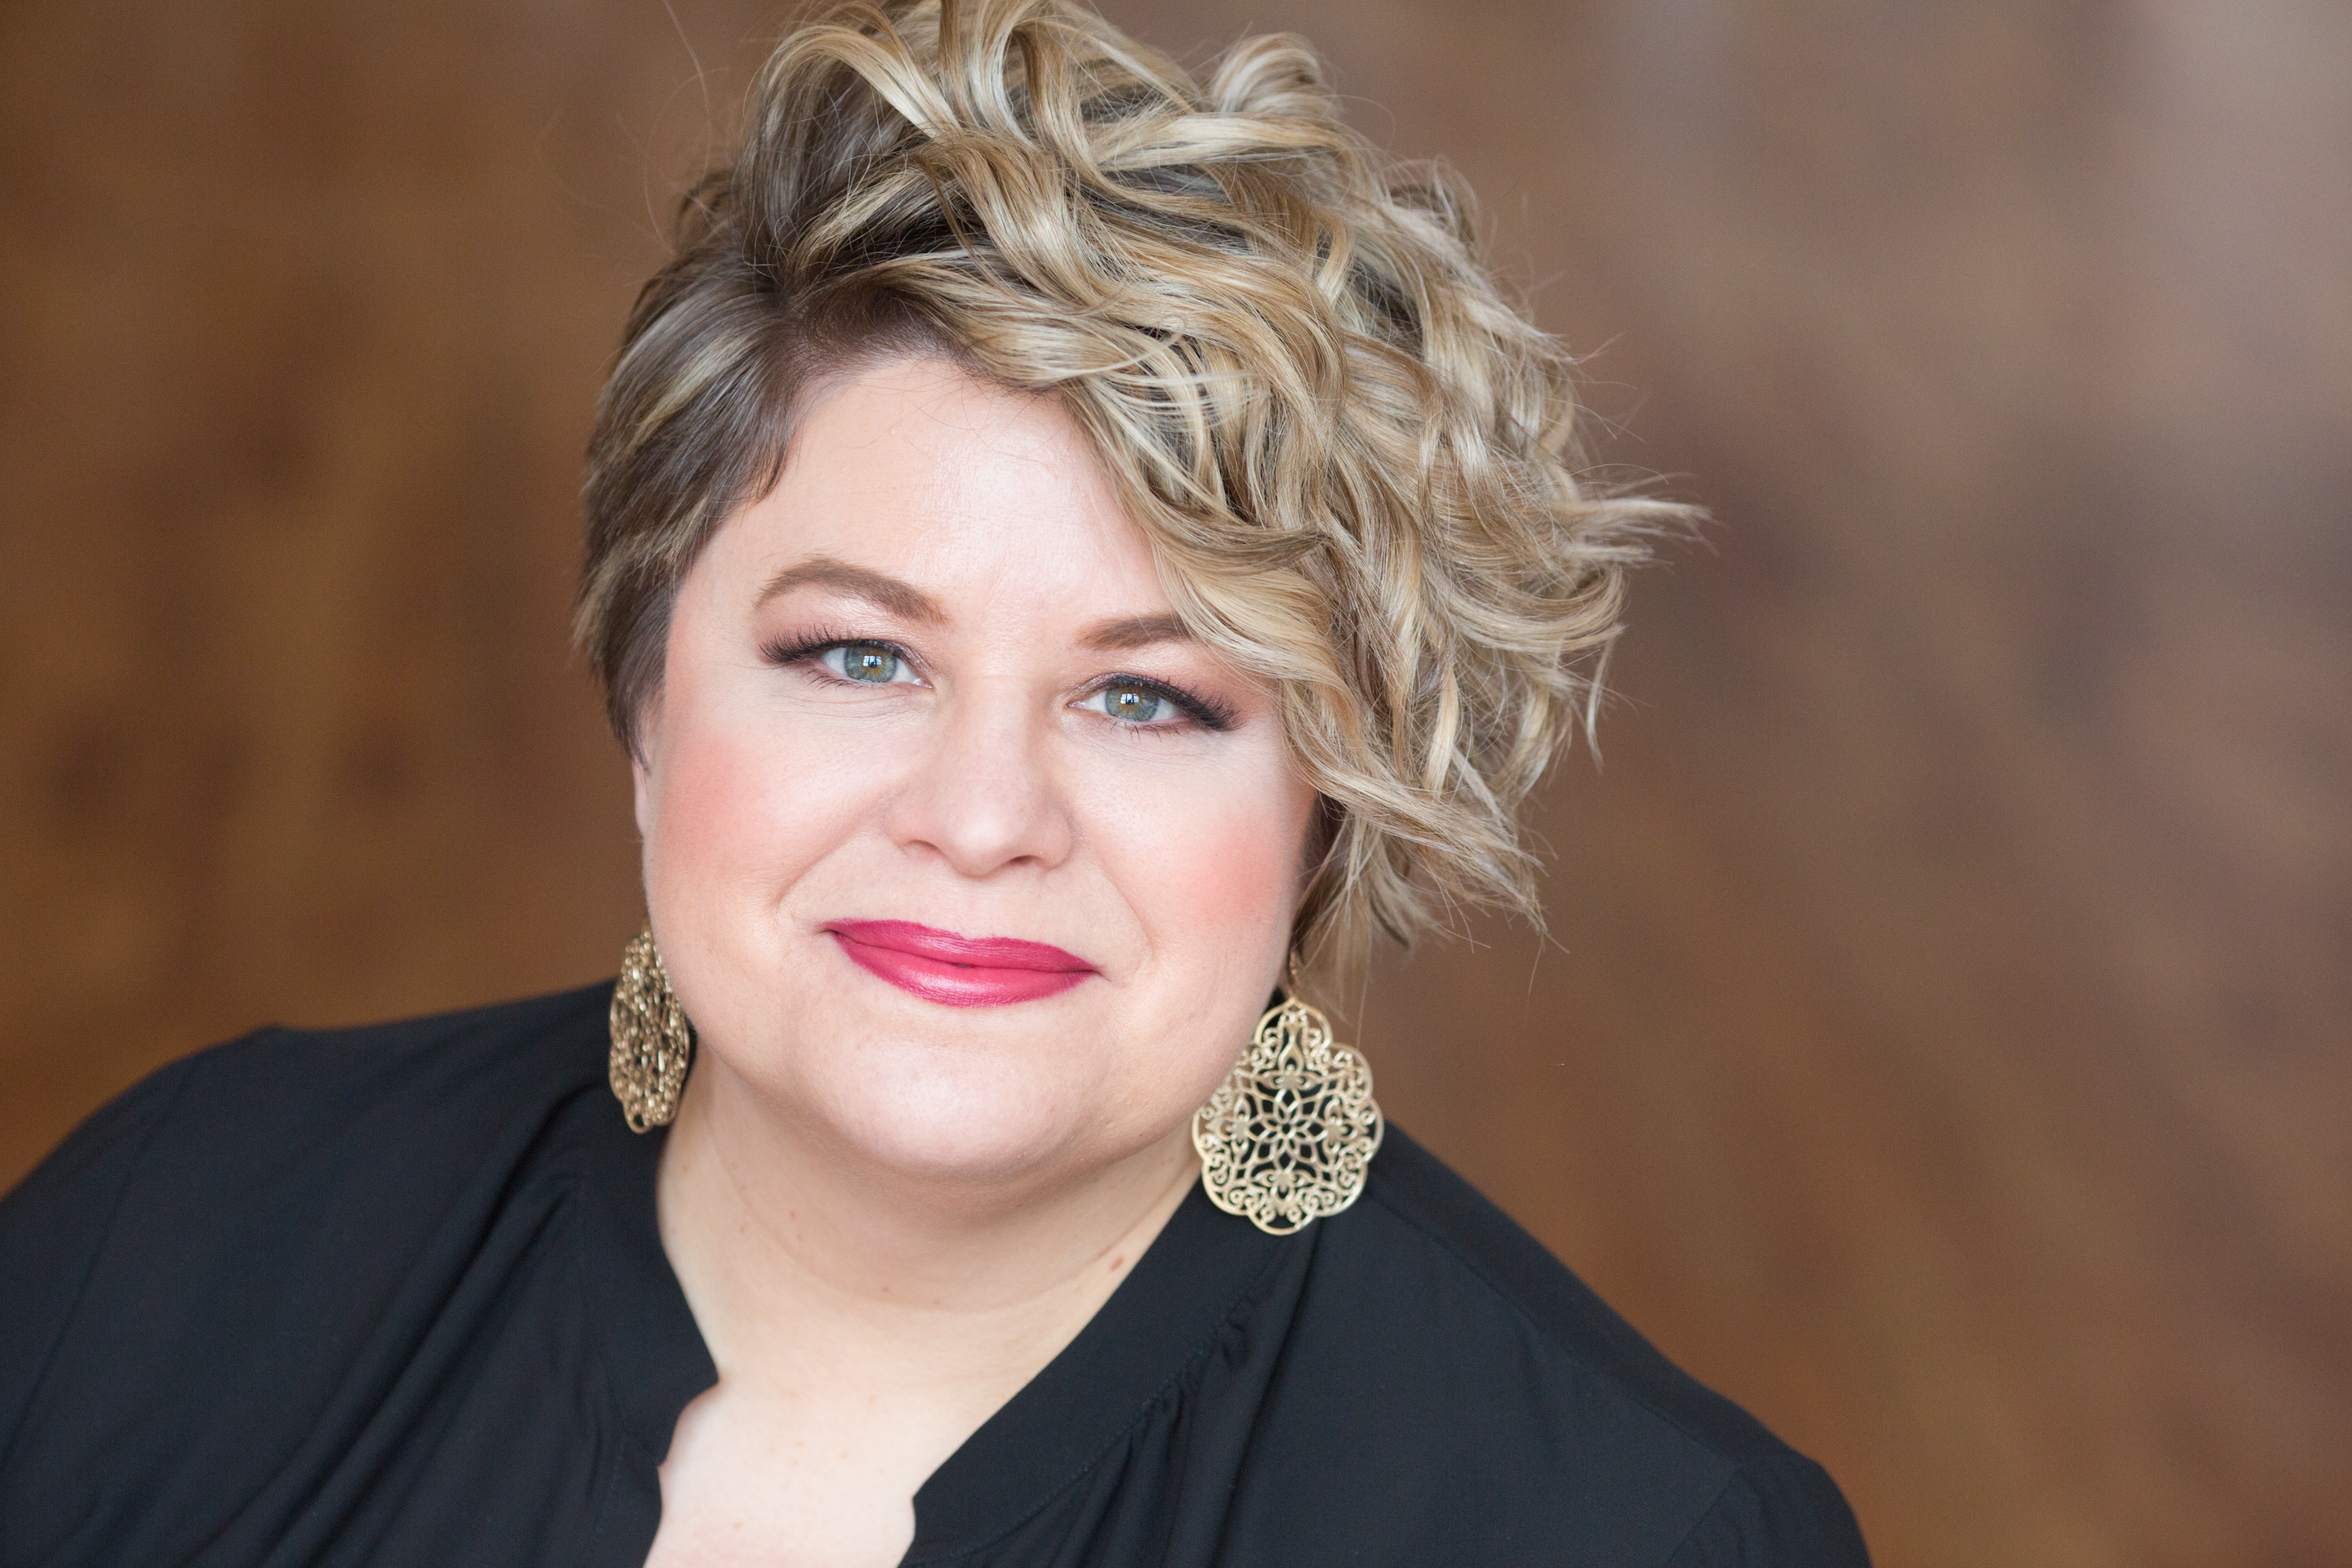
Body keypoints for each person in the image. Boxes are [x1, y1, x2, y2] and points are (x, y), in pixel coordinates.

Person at [0, 2, 1869, 1563]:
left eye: (1148, 699)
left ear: (1327, 810)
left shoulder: (1632, 1529)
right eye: (858, 656)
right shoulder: (177, 1244)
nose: (982, 820)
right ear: (648, 700)